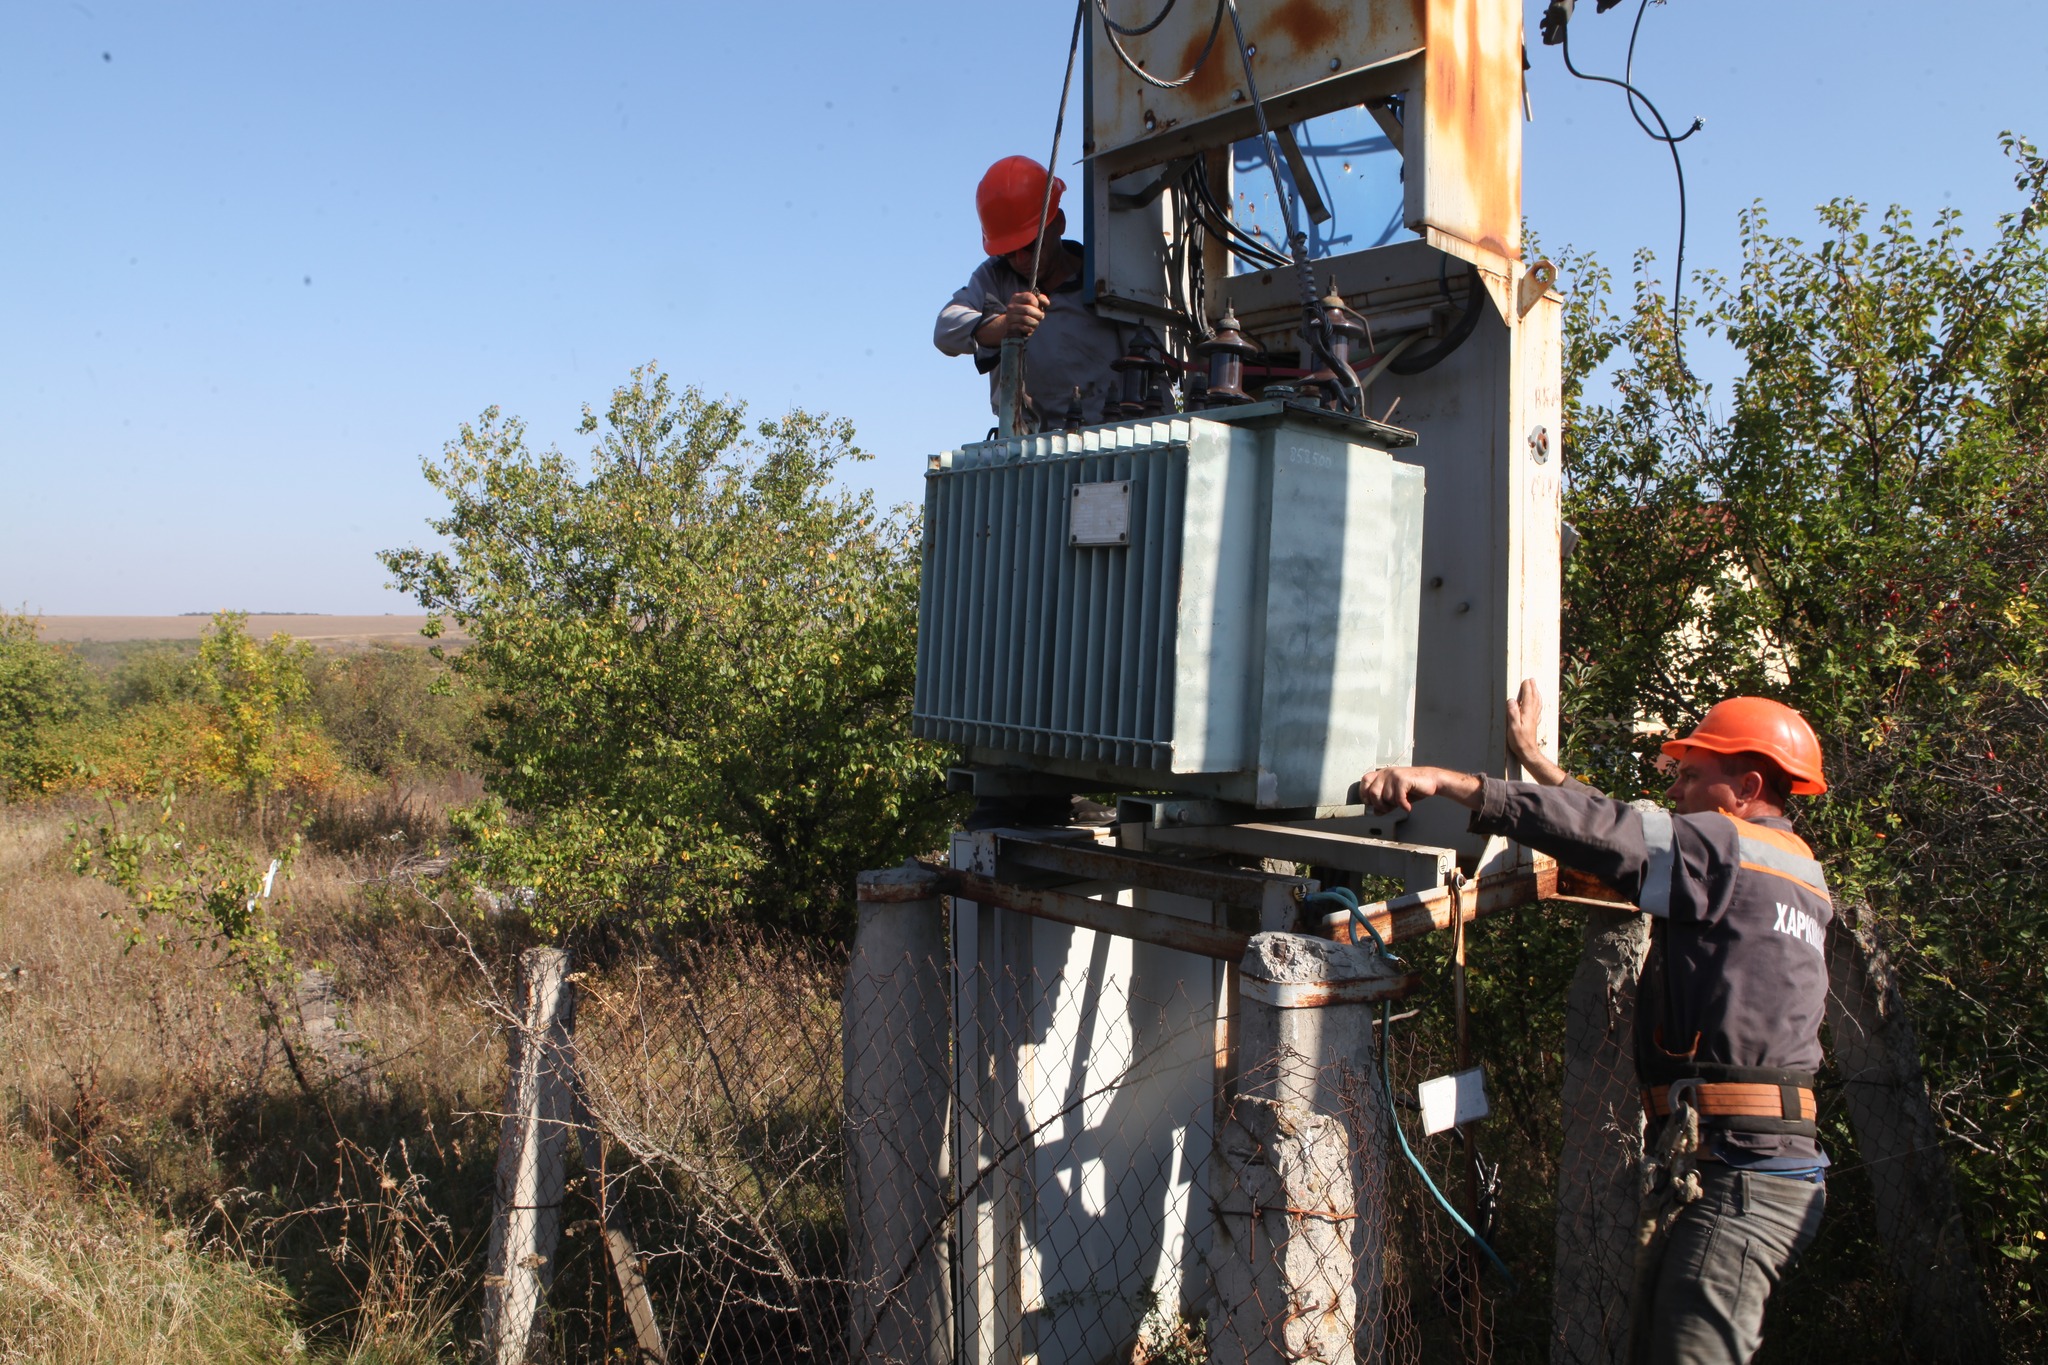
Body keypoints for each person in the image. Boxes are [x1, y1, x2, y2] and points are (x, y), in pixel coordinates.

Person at [1361, 683, 1833, 1365]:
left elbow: (1615, 833)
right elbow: (1615, 829)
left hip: (1742, 1179)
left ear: (1747, 784)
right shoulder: (1793, 869)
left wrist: (1445, 781)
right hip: (1762, 1168)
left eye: (1693, 774)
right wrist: (1543, 766)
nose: (1676, 790)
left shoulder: (1726, 848)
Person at [934, 155, 1130, 431]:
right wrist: (1003, 326)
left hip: (1105, 442)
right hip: (1026, 446)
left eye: (1030, 246)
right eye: (1009, 252)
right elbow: (944, 330)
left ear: (1058, 223)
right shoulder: (995, 276)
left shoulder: (1105, 277)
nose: (1022, 260)